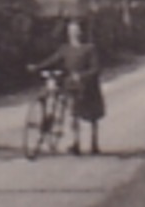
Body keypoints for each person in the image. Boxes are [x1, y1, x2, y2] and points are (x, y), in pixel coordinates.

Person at [31, 18, 104, 155]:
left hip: (87, 86)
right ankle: (76, 143)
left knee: (92, 116)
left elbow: (96, 68)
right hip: (71, 84)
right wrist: (37, 67)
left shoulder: (89, 48)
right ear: (68, 33)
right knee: (73, 111)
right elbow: (52, 60)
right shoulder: (65, 49)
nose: (74, 33)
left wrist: (82, 76)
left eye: (77, 30)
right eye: (71, 30)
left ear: (81, 32)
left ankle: (94, 143)